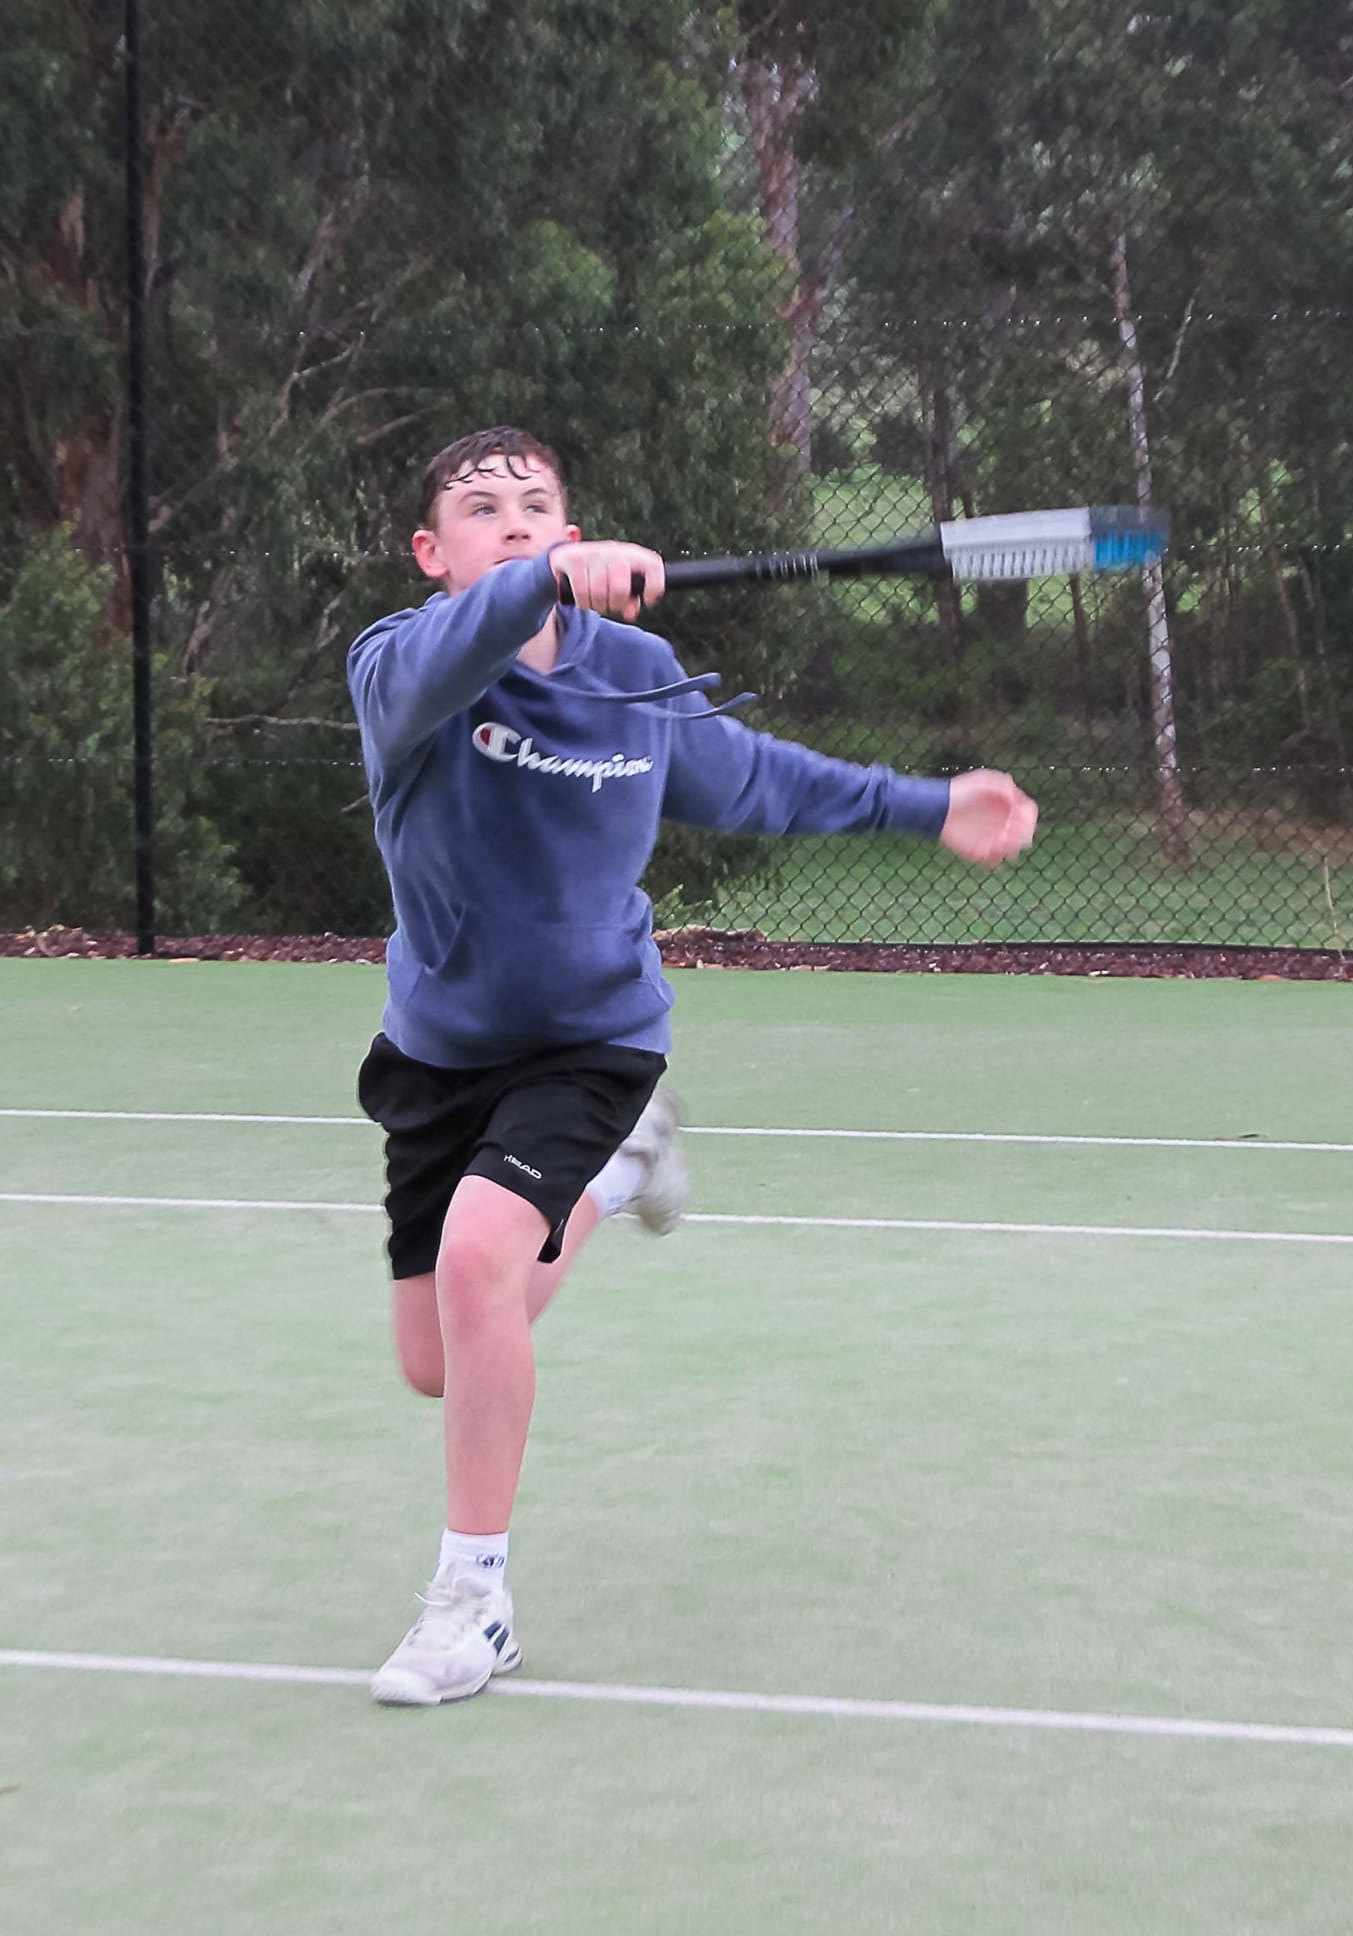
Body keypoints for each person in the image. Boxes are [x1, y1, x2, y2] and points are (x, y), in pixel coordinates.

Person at [347, 426, 1038, 1706]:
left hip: (594, 1032)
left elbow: (757, 782)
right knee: (439, 1358)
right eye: (482, 509)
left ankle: (469, 1606)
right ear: (431, 553)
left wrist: (927, 804)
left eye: (537, 505)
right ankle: (620, 1174)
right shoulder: (399, 667)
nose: (513, 521)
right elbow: (458, 649)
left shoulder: (636, 673)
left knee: (478, 1261)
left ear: (572, 523)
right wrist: (539, 585)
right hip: (440, 1050)